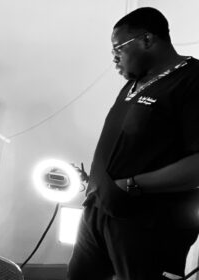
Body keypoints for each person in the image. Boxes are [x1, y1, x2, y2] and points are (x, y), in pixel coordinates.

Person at [68, 7, 199, 280]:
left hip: (149, 224)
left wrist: (132, 184)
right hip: (100, 212)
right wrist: (95, 179)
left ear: (147, 40)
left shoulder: (191, 80)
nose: (114, 57)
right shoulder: (134, 84)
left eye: (119, 48)